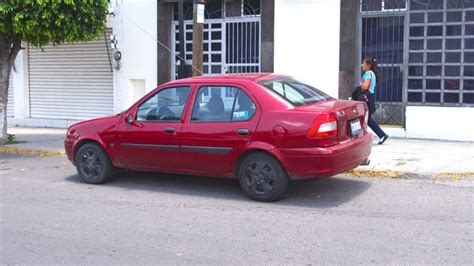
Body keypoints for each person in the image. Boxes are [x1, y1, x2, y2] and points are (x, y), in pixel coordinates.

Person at [361, 57, 389, 145]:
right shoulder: (372, 73)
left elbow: (365, 87)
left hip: (366, 97)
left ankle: (381, 135)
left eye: (363, 63)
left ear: (368, 65)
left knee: (365, 118)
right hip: (370, 97)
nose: (362, 65)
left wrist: (359, 89)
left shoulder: (368, 73)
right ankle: (381, 135)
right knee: (366, 119)